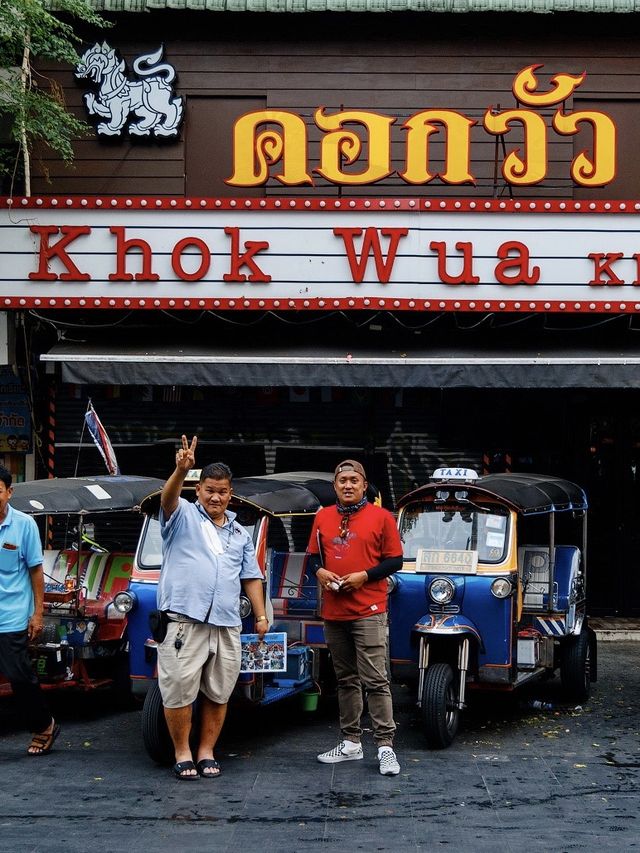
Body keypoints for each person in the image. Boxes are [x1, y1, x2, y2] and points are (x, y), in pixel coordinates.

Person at [157, 436, 269, 780]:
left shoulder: (239, 533)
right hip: (182, 624)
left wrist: (262, 616)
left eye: (222, 491)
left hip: (226, 624)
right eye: (209, 490)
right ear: (199, 491)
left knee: (220, 691)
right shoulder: (183, 517)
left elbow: (251, 577)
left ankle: (206, 751)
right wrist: (180, 469)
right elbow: (167, 498)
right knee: (178, 690)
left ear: (230, 493)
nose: (215, 497)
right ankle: (182, 752)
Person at [307, 459, 403, 776]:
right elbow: (311, 559)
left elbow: (396, 561)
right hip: (334, 611)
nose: (348, 485)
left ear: (363, 485)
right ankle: (351, 742)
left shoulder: (382, 517)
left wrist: (365, 575)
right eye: (342, 480)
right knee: (345, 680)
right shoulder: (322, 516)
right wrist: (319, 572)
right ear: (335, 486)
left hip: (369, 610)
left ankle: (385, 747)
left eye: (354, 480)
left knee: (376, 680)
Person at [0, 465, 60, 755]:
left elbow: (36, 571)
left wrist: (38, 614)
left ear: (9, 492)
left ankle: (44, 725)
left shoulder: (24, 525)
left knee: (20, 676)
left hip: (12, 616)